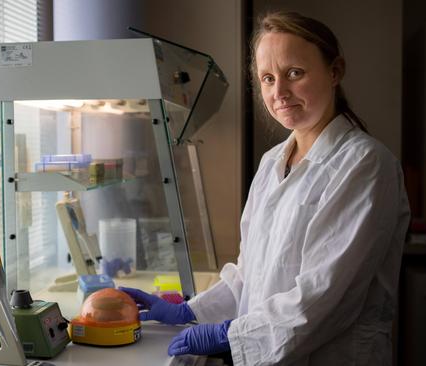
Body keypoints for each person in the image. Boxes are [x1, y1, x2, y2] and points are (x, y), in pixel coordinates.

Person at [121, 11, 410, 365]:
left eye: (294, 73)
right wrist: (190, 312)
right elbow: (250, 275)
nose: (280, 92)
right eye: (268, 78)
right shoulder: (272, 161)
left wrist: (227, 335)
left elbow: (324, 296)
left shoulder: (365, 165)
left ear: (335, 71)